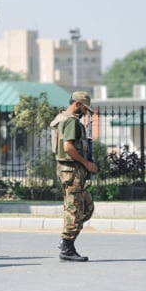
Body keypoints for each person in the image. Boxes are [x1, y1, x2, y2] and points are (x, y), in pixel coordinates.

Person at [49, 91, 97, 262]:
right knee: (75, 208)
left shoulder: (61, 118)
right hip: (72, 170)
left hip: (69, 170)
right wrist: (87, 163)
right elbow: (68, 147)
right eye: (85, 108)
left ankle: (66, 241)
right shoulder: (71, 122)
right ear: (77, 104)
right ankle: (67, 246)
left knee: (86, 207)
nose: (85, 112)